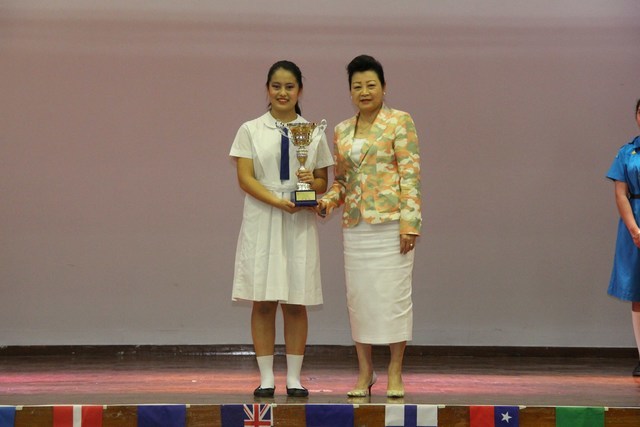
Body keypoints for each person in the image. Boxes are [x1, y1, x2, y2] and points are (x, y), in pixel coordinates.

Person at [318, 54, 422, 398]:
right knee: (359, 299)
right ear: (350, 91)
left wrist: (410, 223)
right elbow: (342, 182)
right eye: (357, 86)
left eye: (370, 85)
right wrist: (326, 201)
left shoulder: (400, 121)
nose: (364, 91)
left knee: (394, 298)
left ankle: (395, 370)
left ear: (383, 87)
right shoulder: (341, 130)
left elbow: (410, 174)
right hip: (356, 227)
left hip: (392, 224)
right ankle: (365, 371)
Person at [229, 60, 333, 397]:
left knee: (295, 301)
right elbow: (245, 179)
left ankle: (294, 378)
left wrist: (310, 183)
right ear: (267, 89)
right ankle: (265, 378)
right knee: (263, 301)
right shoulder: (250, 129)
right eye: (276, 86)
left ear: (300, 90)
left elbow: (322, 181)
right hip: (263, 217)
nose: (283, 93)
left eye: (290, 87)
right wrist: (277, 201)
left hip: (298, 221)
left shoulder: (312, 131)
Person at [606, 98, 640, 376]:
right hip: (635, 224)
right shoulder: (626, 152)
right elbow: (621, 194)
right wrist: (635, 230)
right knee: (638, 293)